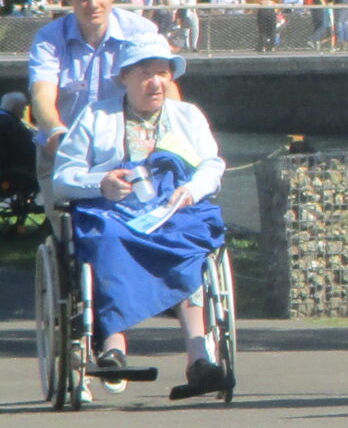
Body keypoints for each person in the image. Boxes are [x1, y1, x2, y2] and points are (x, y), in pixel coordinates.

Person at [52, 35, 233, 399]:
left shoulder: (187, 116)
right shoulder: (96, 115)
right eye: (145, 73)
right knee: (105, 238)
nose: (156, 82)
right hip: (114, 209)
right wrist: (100, 182)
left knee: (189, 242)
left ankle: (199, 357)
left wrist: (192, 189)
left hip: (173, 208)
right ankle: (113, 347)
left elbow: (212, 164)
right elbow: (63, 177)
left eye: (163, 73)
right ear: (125, 77)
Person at [25, 0, 161, 185]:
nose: (93, 4)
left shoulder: (141, 32)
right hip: (63, 152)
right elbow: (41, 96)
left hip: (125, 154)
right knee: (66, 221)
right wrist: (56, 132)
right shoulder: (49, 39)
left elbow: (163, 88)